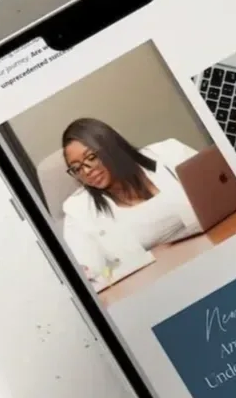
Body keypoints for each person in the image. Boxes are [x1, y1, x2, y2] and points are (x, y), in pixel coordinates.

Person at [59, 118, 201, 286]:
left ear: (110, 147)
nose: (87, 171)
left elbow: (223, 189)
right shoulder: (78, 209)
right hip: (158, 284)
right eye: (76, 168)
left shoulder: (169, 153)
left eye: (91, 157)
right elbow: (89, 276)